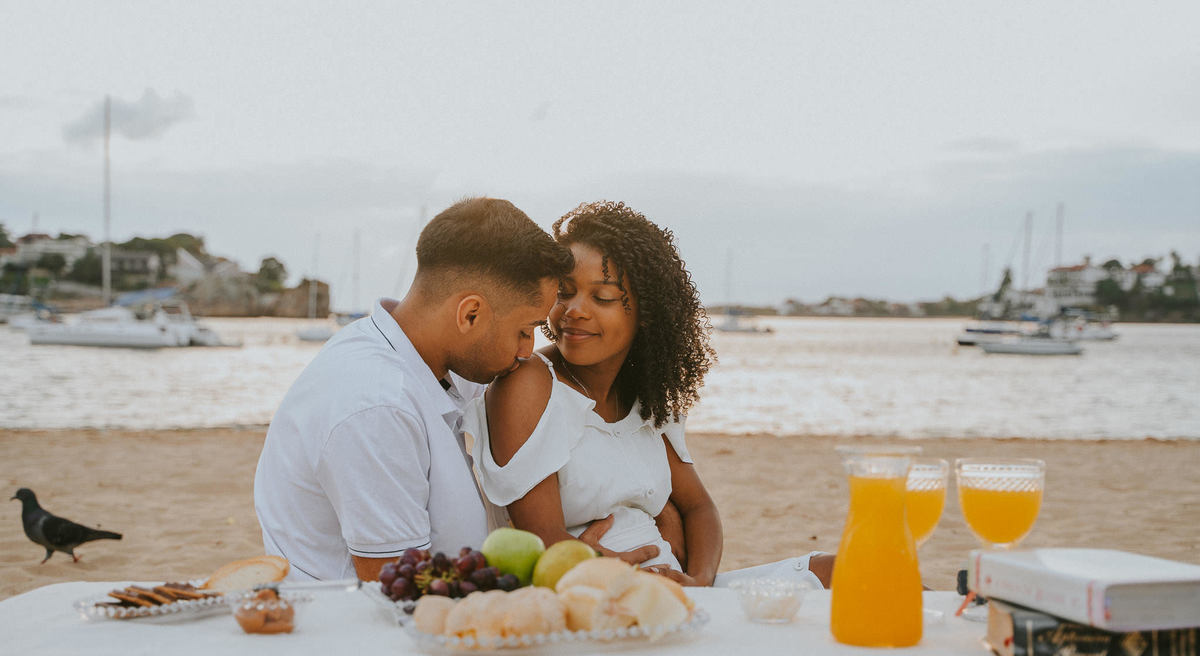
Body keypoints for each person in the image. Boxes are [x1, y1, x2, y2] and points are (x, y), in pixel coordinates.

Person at [463, 201, 831, 588]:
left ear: (647, 312)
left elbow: (699, 507)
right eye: (564, 293)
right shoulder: (531, 383)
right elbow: (542, 540)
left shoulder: (646, 396)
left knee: (833, 568)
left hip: (677, 587)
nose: (574, 310)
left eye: (601, 297)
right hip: (590, 594)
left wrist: (702, 580)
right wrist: (610, 567)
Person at [254, 197, 575, 582]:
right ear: (470, 314)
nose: (527, 351)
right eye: (525, 330)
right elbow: (400, 591)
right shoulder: (376, 407)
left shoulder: (433, 358)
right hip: (362, 630)